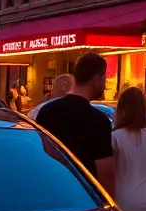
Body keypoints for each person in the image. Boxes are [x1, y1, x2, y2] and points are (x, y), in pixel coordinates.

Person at [35, 53, 116, 194]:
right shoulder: (99, 120)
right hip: (83, 197)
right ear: (96, 79)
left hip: (50, 190)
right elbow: (106, 171)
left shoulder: (46, 111)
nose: (104, 85)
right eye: (104, 79)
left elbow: (40, 154)